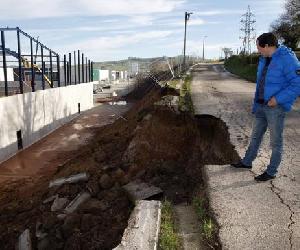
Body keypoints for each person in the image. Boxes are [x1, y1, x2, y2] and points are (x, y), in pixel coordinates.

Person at [231, 32, 300, 181]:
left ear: (267, 46)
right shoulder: (264, 59)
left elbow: (297, 83)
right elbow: (261, 83)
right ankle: (247, 162)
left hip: (276, 107)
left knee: (276, 141)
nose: (258, 50)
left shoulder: (287, 59)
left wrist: (277, 99)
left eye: (259, 47)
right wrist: (256, 104)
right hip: (261, 105)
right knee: (255, 136)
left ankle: (271, 171)